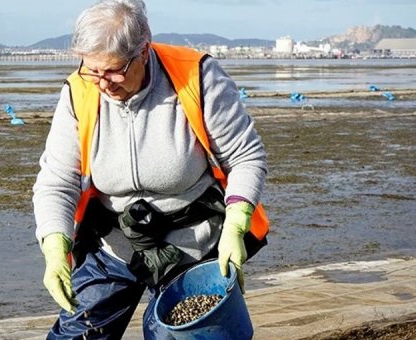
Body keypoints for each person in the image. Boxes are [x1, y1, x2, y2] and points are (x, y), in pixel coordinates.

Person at [32, 0, 269, 338]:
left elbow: (246, 155)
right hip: (113, 246)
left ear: (143, 51)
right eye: (92, 70)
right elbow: (57, 180)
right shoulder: (79, 91)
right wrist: (55, 247)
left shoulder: (196, 75)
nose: (103, 83)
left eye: (114, 70)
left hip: (192, 248)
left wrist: (236, 223)